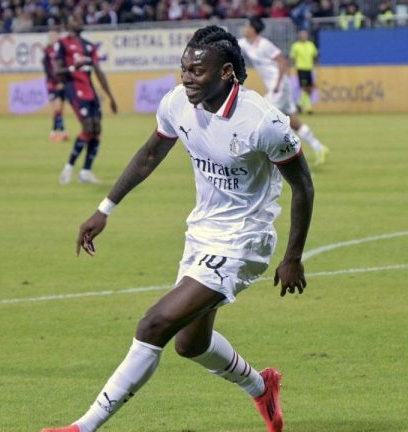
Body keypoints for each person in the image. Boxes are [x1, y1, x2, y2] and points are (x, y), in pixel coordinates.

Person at [41, 25, 314, 432]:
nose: (186, 77)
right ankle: (262, 387)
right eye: (183, 68)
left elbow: (303, 186)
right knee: (191, 345)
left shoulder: (263, 122)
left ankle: (83, 426)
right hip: (201, 233)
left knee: (154, 324)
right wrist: (106, 208)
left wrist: (293, 257)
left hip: (244, 240)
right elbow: (151, 152)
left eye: (196, 70)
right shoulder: (177, 103)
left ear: (225, 73)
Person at [238, 17, 329, 166]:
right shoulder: (245, 44)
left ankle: (278, 155)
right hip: (275, 86)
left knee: (264, 115)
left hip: (279, 85)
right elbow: (230, 43)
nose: (244, 29)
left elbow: (282, 61)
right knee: (293, 121)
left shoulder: (264, 44)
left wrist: (278, 84)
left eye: (247, 26)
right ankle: (319, 148)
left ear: (253, 29)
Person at [54, 21, 118, 185]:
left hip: (90, 91)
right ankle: (68, 168)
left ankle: (85, 172)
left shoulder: (89, 46)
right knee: (88, 127)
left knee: (97, 129)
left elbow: (99, 72)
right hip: (74, 89)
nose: (80, 22)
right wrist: (72, 68)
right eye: (76, 19)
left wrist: (111, 97)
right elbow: (56, 71)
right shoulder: (62, 44)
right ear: (69, 23)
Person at [43, 30, 69, 142]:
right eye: (51, 36)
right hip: (52, 83)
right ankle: (58, 132)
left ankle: (56, 132)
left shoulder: (61, 49)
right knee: (57, 108)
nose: (53, 38)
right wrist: (56, 81)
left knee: (60, 109)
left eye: (55, 36)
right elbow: (47, 69)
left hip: (62, 83)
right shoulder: (47, 51)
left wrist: (63, 81)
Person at [289, 29, 318, 115]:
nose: (303, 36)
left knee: (309, 88)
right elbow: (292, 57)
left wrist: (315, 64)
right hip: (301, 69)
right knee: (304, 87)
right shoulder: (295, 46)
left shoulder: (311, 45)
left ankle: (299, 103)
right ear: (299, 36)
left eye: (305, 35)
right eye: (302, 35)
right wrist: (291, 67)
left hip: (309, 68)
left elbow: (315, 56)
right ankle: (308, 108)